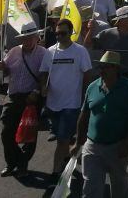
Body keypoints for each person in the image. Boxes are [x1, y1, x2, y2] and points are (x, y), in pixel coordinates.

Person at [72, 51, 128, 198]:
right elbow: (84, 116)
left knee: (119, 186)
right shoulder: (92, 87)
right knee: (90, 188)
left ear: (116, 68)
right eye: (100, 66)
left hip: (117, 146)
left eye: (106, 67)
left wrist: (127, 143)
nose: (101, 70)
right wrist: (78, 143)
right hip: (92, 147)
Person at [39, 18, 94, 179]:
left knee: (61, 140)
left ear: (71, 33)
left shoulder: (80, 51)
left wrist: (85, 97)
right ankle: (68, 157)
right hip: (53, 105)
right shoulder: (50, 52)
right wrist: (43, 85)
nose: (59, 37)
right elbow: (43, 72)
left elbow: (87, 74)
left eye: (63, 33)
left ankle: (56, 174)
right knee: (62, 137)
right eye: (57, 34)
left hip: (72, 104)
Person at [0, 22, 47, 178]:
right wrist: (2, 67)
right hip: (13, 95)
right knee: (6, 132)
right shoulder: (13, 51)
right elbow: (6, 72)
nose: (27, 41)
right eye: (25, 38)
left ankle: (22, 164)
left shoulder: (43, 53)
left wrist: (36, 91)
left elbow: (45, 76)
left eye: (30, 37)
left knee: (29, 133)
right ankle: (14, 162)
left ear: (36, 38)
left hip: (32, 97)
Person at [87, 5, 128, 83]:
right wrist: (90, 30)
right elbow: (88, 44)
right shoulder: (107, 34)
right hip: (109, 73)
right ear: (121, 20)